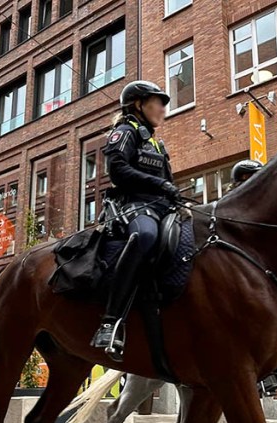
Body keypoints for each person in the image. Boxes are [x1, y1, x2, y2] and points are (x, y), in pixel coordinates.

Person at [91, 80, 181, 361]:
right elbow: (117, 170)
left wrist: (173, 195)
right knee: (145, 238)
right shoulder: (124, 131)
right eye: (157, 102)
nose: (163, 109)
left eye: (164, 104)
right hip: (133, 205)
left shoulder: (156, 141)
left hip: (162, 206)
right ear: (139, 105)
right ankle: (111, 320)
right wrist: (160, 185)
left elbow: (166, 180)